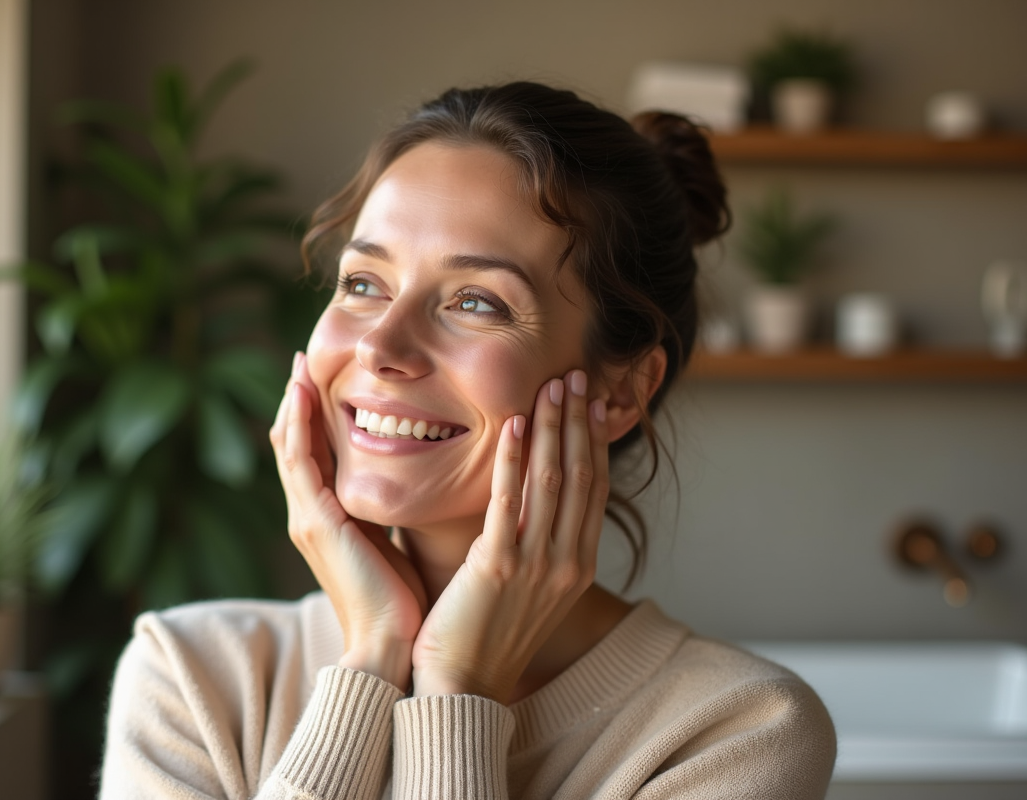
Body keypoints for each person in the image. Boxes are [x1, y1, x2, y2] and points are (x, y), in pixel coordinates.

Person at [100, 82, 836, 800]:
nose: (380, 346)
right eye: (362, 283)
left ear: (621, 391)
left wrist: (459, 686)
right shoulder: (194, 676)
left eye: (474, 301)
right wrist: (373, 661)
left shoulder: (739, 735)